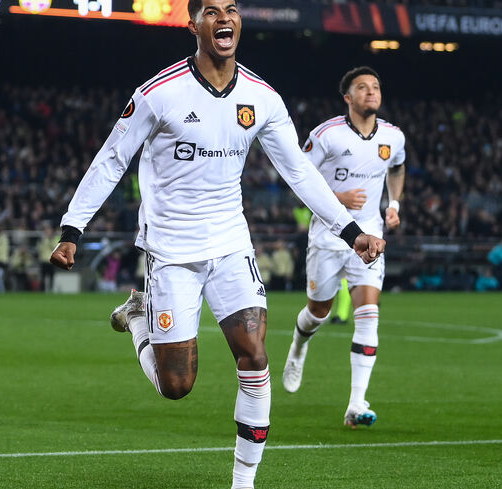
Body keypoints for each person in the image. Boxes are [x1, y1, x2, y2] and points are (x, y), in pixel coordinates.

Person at [48, 2, 385, 488]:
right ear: (194, 25)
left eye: (231, 9)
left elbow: (298, 172)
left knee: (254, 352)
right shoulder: (159, 93)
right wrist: (72, 229)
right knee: (176, 386)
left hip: (230, 244)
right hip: (171, 250)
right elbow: (111, 159)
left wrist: (351, 232)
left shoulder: (262, 97)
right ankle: (141, 316)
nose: (223, 17)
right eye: (210, 10)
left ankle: (243, 483)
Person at [281, 66, 406, 429]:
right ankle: (299, 346)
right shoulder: (327, 135)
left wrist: (393, 206)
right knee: (318, 312)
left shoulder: (394, 137)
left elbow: (397, 169)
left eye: (376, 86)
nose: (372, 91)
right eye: (362, 87)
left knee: (369, 314)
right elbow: (298, 176)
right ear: (347, 98)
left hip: (370, 236)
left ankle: (356, 404)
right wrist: (337, 197)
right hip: (328, 235)